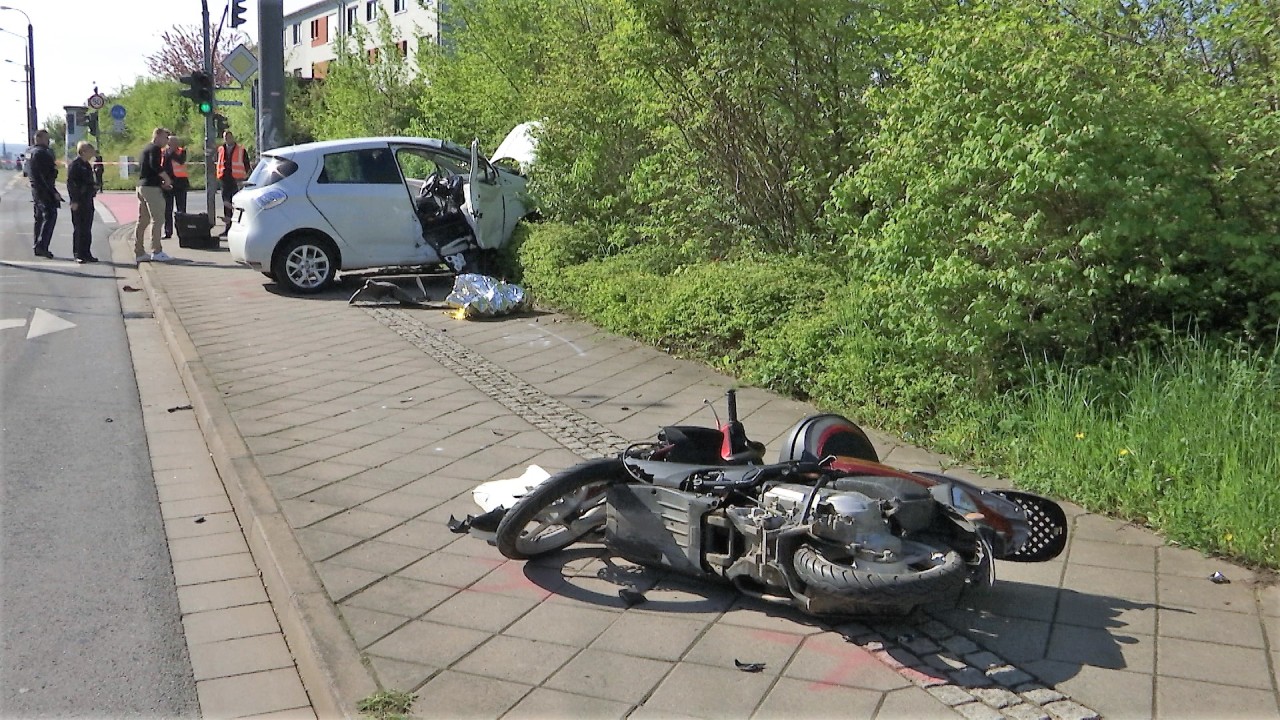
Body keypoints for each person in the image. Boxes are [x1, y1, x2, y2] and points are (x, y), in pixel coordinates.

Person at [135, 126, 174, 263]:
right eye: (164, 137)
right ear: (157, 136)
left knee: (143, 220)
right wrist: (166, 178)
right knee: (158, 219)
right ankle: (156, 251)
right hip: (151, 188)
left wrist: (160, 181)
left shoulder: (145, 149)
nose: (166, 141)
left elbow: (147, 169)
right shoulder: (155, 149)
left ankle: (139, 251)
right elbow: (154, 165)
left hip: (141, 186)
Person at [28, 129, 64, 259]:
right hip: (44, 189)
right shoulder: (43, 153)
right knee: (50, 216)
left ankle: (37, 244)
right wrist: (53, 192)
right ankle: (42, 245)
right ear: (40, 138)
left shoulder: (29, 152)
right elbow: (46, 175)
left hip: (35, 189)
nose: (48, 141)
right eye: (46, 138)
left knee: (39, 218)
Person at [67, 140, 100, 263]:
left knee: (87, 228)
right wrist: (74, 200)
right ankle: (78, 254)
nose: (92, 153)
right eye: (90, 151)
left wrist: (93, 188)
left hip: (87, 200)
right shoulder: (75, 165)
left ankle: (87, 253)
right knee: (79, 228)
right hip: (79, 201)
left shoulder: (86, 165)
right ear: (83, 151)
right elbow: (71, 184)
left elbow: (88, 182)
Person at [216, 129, 251, 236]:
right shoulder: (221, 149)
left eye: (229, 137)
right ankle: (228, 228)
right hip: (225, 180)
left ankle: (238, 227)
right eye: (225, 137)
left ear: (232, 137)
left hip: (236, 180)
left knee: (237, 204)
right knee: (226, 205)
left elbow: (247, 165)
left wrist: (245, 177)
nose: (227, 139)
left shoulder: (241, 150)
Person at [161, 134, 189, 239]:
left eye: (173, 142)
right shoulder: (164, 152)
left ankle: (182, 231)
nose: (171, 144)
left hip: (181, 183)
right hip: (168, 183)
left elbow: (180, 160)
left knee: (181, 209)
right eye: (169, 142)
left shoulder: (181, 151)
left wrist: (171, 152)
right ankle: (168, 231)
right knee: (167, 209)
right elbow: (162, 166)